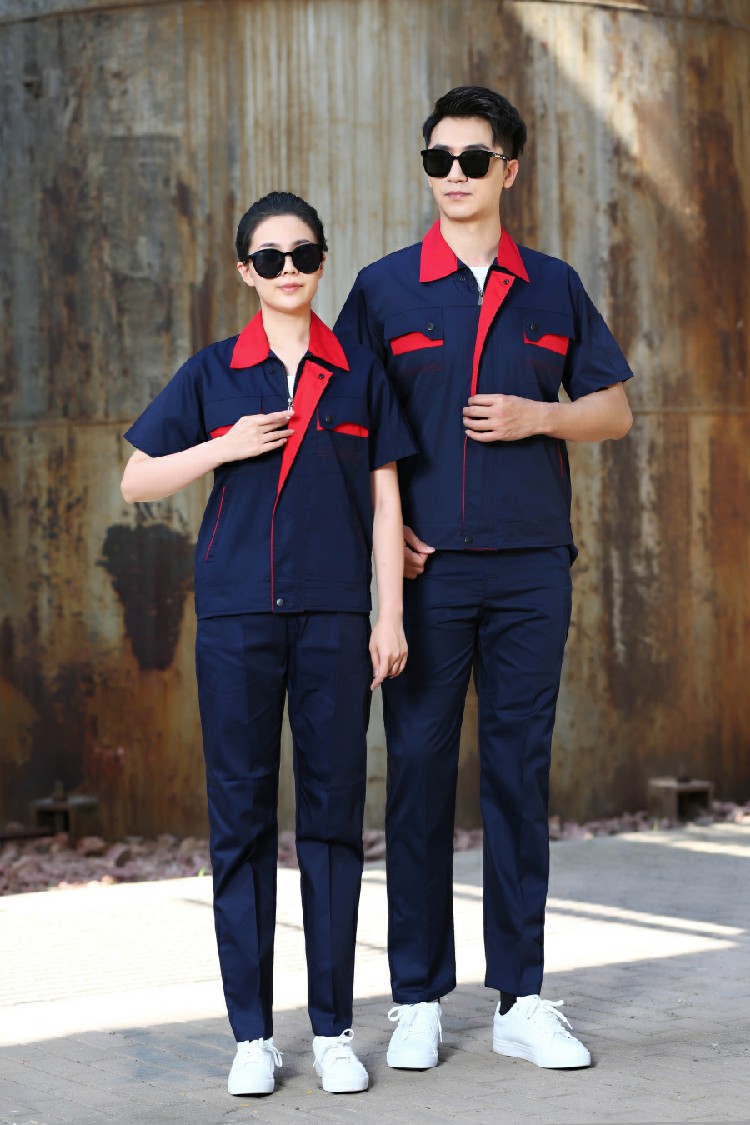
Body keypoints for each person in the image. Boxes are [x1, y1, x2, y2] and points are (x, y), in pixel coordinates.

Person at [334, 87, 633, 1071]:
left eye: (473, 159)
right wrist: (385, 540)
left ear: (509, 169)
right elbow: (341, 429)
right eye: (439, 160)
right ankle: (417, 996)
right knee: (419, 776)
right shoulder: (384, 290)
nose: (454, 176)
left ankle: (522, 999)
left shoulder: (552, 286)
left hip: (532, 571)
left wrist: (539, 417)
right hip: (428, 578)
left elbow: (615, 410)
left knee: (517, 774)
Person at [121, 191, 416, 1096]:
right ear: (245, 270)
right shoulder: (214, 372)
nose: (290, 271)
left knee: (332, 821)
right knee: (242, 823)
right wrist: (224, 446)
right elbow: (137, 479)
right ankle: (251, 1035)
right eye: (271, 258)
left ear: (322, 260)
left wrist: (390, 613)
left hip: (334, 618)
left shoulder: (358, 371)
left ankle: (333, 1030)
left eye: (305, 254)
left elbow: (386, 502)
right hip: (238, 619)